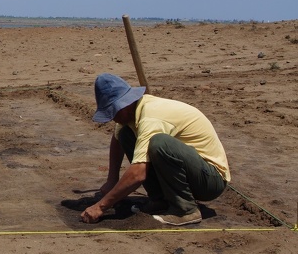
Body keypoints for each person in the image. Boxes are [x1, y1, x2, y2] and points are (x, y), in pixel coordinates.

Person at [81, 73, 230, 226]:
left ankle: (186, 209)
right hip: (192, 173)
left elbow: (138, 174)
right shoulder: (132, 112)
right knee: (126, 134)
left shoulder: (150, 119)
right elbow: (118, 139)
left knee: (160, 143)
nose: (113, 118)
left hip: (210, 180)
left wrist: (100, 206)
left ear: (124, 105)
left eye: (113, 112)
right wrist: (112, 180)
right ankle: (161, 201)